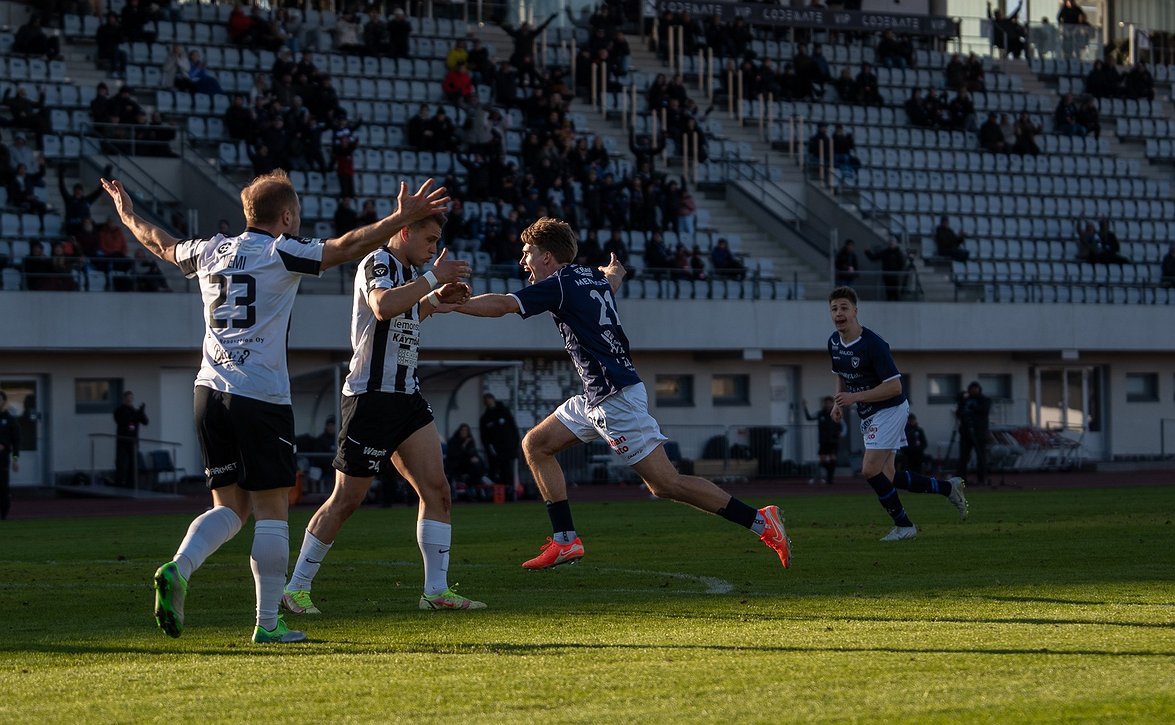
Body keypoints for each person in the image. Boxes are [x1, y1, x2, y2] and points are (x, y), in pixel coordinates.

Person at [102, 170, 449, 643]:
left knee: (229, 508)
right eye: (297, 214)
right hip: (261, 394)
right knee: (271, 510)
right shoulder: (280, 251)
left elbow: (159, 243)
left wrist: (126, 213)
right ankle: (268, 624)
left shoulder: (210, 249)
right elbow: (346, 247)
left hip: (208, 391)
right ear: (286, 216)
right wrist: (397, 219)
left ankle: (179, 566)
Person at [449, 218, 792, 570]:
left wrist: (456, 304)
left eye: (527, 253)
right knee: (536, 445)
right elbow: (610, 282)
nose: (523, 261)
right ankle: (565, 540)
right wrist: (615, 272)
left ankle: (761, 522)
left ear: (547, 257)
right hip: (597, 396)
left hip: (615, 398)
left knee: (666, 484)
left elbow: (505, 304)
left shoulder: (559, 284)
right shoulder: (591, 277)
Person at [282, 209, 485, 617]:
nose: (433, 249)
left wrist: (435, 301)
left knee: (438, 491)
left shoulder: (409, 273)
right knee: (346, 500)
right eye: (429, 240)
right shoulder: (378, 260)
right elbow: (382, 306)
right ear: (404, 231)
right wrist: (433, 279)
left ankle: (436, 591)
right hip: (370, 398)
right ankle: (296, 587)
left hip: (406, 397)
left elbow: (406, 314)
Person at [826, 286, 968, 541]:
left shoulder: (873, 344)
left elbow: (895, 386)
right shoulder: (834, 342)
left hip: (890, 409)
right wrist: (838, 402)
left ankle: (904, 526)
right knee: (888, 476)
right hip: (870, 412)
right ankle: (948, 488)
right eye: (834, 309)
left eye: (844, 308)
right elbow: (840, 373)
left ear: (855, 311)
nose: (839, 313)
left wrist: (854, 397)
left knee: (869, 470)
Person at [479, 393, 520, 493]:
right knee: (497, 470)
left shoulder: (504, 412)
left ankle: (511, 490)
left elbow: (513, 428)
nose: (489, 402)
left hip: (508, 447)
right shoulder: (485, 418)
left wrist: (515, 443)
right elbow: (484, 435)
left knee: (508, 469)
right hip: (496, 449)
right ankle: (501, 491)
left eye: (490, 400)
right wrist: (489, 447)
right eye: (486, 401)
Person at [956, 381, 992, 487]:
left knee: (981, 456)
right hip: (965, 433)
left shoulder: (984, 400)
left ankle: (982, 479)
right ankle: (962, 479)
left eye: (975, 389)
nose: (973, 391)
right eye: (971, 389)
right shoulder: (965, 401)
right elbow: (959, 413)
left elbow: (983, 410)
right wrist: (962, 400)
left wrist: (973, 407)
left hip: (979, 432)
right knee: (963, 457)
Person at [803, 397, 841, 485]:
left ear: (832, 404)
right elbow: (809, 418)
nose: (827, 405)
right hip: (823, 440)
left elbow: (842, 425)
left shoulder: (835, 413)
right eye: (826, 403)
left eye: (829, 403)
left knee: (833, 458)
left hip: (833, 440)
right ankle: (829, 475)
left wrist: (841, 433)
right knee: (822, 460)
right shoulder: (820, 413)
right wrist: (805, 407)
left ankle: (830, 479)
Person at [113, 391, 148, 486]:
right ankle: (119, 484)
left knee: (133, 464)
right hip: (122, 441)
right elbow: (124, 420)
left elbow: (145, 422)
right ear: (124, 399)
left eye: (131, 398)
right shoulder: (119, 410)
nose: (129, 400)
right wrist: (135, 415)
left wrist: (142, 413)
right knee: (121, 464)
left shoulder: (135, 411)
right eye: (128, 398)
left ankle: (131, 484)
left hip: (133, 441)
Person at [447, 423, 491, 500]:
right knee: (473, 464)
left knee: (477, 461)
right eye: (462, 430)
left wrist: (473, 457)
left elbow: (473, 452)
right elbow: (454, 455)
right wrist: (464, 446)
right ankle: (475, 483)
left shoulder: (470, 441)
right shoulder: (453, 442)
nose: (464, 432)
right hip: (457, 465)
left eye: (466, 430)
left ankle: (479, 481)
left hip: (469, 465)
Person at [0, 390, 19, 521]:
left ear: (4, 401)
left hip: (2, 460)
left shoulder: (10, 420)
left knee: (3, 488)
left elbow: (16, 441)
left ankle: (4, 515)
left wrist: (15, 459)